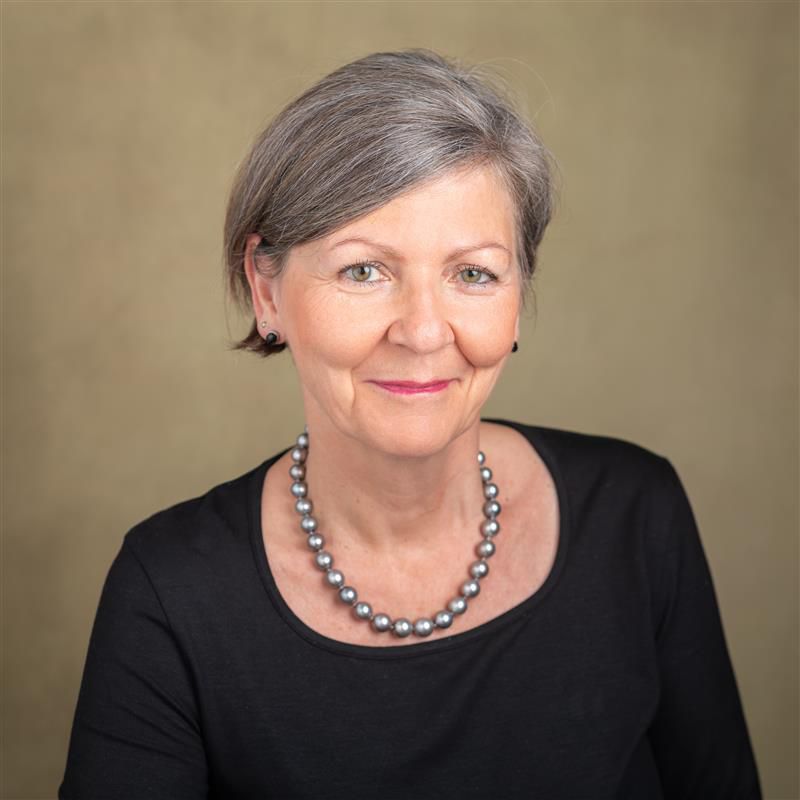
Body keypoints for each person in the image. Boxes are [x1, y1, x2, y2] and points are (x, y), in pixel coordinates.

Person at [58, 48, 762, 799]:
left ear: (518, 295)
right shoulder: (169, 592)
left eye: (473, 274)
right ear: (265, 293)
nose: (424, 331)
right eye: (364, 270)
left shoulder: (635, 513)